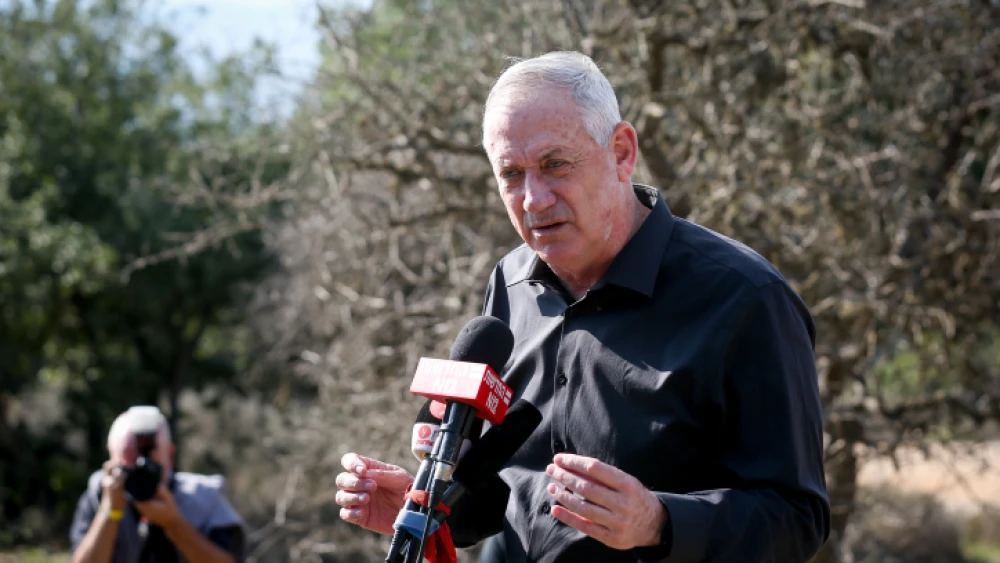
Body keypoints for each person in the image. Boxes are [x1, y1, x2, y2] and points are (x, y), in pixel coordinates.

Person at [335, 51, 830, 562]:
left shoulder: (746, 297)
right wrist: (431, 507)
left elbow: (797, 518)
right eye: (511, 173)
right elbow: (498, 504)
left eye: (555, 164)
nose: (534, 199)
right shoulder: (510, 282)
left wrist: (659, 522)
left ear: (620, 151)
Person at [70, 406, 246, 563]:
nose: (141, 474)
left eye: (150, 465)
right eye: (129, 463)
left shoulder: (205, 499)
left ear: (169, 454)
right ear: (111, 460)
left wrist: (174, 523)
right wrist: (110, 512)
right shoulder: (99, 495)